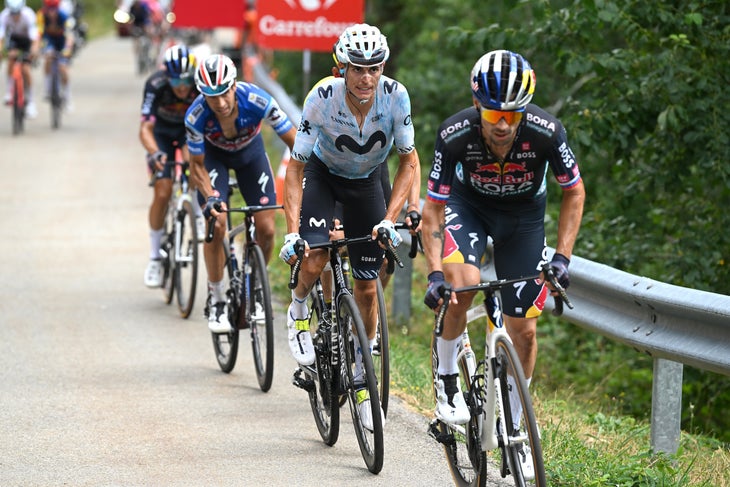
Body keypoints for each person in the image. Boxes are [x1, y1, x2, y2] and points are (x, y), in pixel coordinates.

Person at [421, 49, 585, 476]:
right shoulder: (454, 134)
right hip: (467, 208)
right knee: (463, 290)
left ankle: (516, 423)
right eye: (494, 116)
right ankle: (445, 378)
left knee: (525, 332)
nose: (503, 126)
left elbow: (575, 191)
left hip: (523, 219)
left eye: (513, 116)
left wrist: (563, 257)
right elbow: (433, 209)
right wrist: (435, 274)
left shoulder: (547, 132)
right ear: (478, 105)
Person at [279, 24, 419, 431]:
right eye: (358, 68)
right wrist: (293, 232)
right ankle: (299, 309)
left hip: (368, 183)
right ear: (342, 68)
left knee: (367, 285)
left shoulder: (396, 97)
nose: (366, 78)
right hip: (323, 176)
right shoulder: (321, 98)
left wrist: (390, 219)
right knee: (317, 252)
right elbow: (296, 167)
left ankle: (361, 364)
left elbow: (410, 161)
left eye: (374, 68)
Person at [185, 53, 297, 333]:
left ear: (234, 85)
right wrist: (211, 196)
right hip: (214, 159)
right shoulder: (196, 115)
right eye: (212, 97)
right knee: (217, 221)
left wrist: (314, 176)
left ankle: (255, 288)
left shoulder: (258, 100)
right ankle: (218, 296)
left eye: (224, 93)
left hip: (251, 156)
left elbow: (297, 143)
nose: (220, 103)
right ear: (202, 96)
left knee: (267, 228)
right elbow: (196, 167)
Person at [141, 44, 203, 288]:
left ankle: (197, 213)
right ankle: (155, 257)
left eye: (186, 80)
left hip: (189, 132)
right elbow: (144, 128)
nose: (182, 86)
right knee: (163, 191)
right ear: (167, 76)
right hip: (161, 135)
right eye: (176, 81)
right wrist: (155, 152)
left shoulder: (199, 85)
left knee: (195, 164)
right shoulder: (155, 84)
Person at [0, 0, 40, 118]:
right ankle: (9, 92)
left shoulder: (29, 15)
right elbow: (1, 36)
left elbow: (35, 38)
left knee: (26, 69)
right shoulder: (4, 15)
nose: (15, 16)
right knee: (11, 60)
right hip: (14, 39)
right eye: (13, 13)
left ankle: (31, 102)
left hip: (28, 40)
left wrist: (34, 50)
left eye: (17, 13)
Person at [37, 0, 74, 111]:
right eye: (50, 10)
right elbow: (38, 34)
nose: (52, 13)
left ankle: (67, 97)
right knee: (48, 58)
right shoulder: (41, 16)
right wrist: (39, 49)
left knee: (63, 68)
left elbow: (69, 37)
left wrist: (67, 50)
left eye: (54, 10)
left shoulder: (64, 17)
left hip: (62, 41)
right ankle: (47, 89)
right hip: (49, 40)